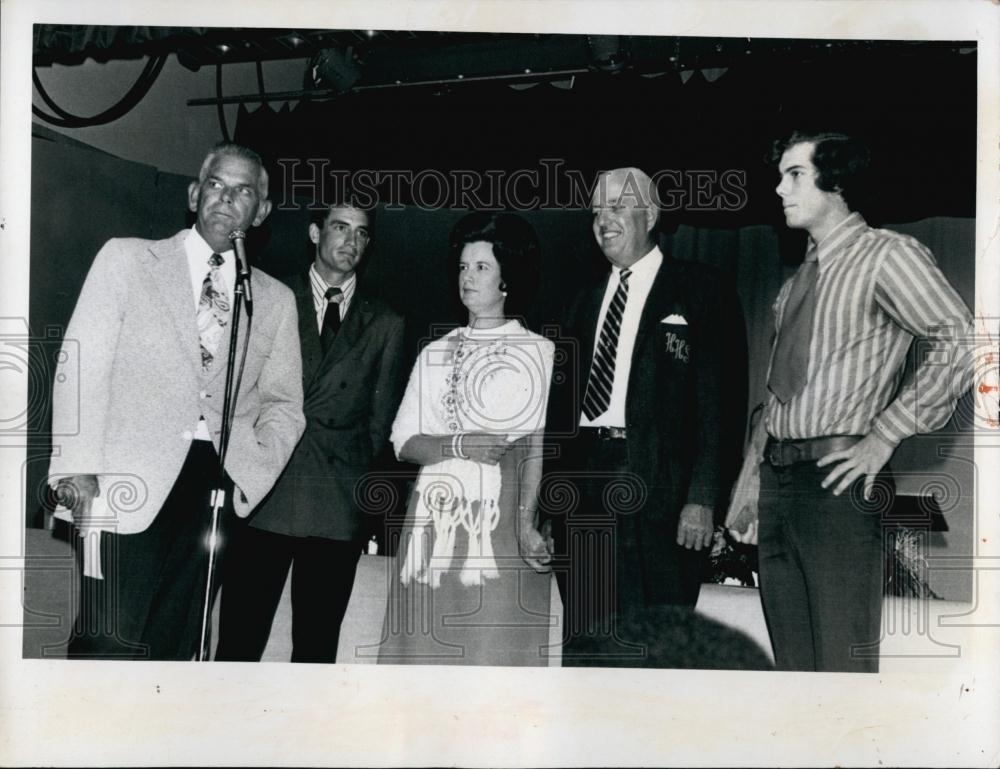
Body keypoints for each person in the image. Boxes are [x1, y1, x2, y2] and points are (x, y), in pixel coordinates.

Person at [48, 141, 305, 660]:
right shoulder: (127, 259)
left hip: (214, 492)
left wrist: (251, 471)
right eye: (216, 184)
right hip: (123, 482)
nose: (226, 199)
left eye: (244, 192)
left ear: (261, 212)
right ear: (194, 194)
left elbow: (284, 403)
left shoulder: (274, 300)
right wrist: (76, 468)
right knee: (107, 640)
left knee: (174, 646)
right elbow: (81, 365)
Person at [727, 130, 972, 673]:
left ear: (835, 182)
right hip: (778, 485)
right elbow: (774, 398)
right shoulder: (793, 286)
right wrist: (749, 484)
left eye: (795, 175)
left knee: (841, 669)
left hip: (837, 485)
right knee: (793, 670)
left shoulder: (888, 256)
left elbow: (960, 338)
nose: (779, 189)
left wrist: (885, 434)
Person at [547, 167, 743, 666]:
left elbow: (721, 404)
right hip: (584, 491)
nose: (602, 220)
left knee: (656, 649)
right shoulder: (579, 299)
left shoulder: (702, 289)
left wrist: (702, 497)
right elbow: (560, 413)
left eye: (616, 207)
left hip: (661, 496)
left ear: (651, 214)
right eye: (595, 211)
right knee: (589, 644)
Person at [217, 198, 406, 663]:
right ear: (315, 233)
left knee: (317, 647)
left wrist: (351, 486)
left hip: (335, 502)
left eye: (362, 233)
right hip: (265, 489)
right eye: (341, 228)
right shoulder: (267, 297)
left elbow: (379, 425)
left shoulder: (386, 322)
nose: (352, 241)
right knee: (240, 640)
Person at [377, 211, 555, 666]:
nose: (467, 277)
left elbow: (534, 446)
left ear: (506, 280)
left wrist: (527, 522)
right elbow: (402, 440)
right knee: (425, 651)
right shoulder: (435, 350)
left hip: (500, 522)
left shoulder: (538, 350)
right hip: (433, 521)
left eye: (481, 267)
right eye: (462, 267)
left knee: (492, 652)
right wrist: (458, 446)